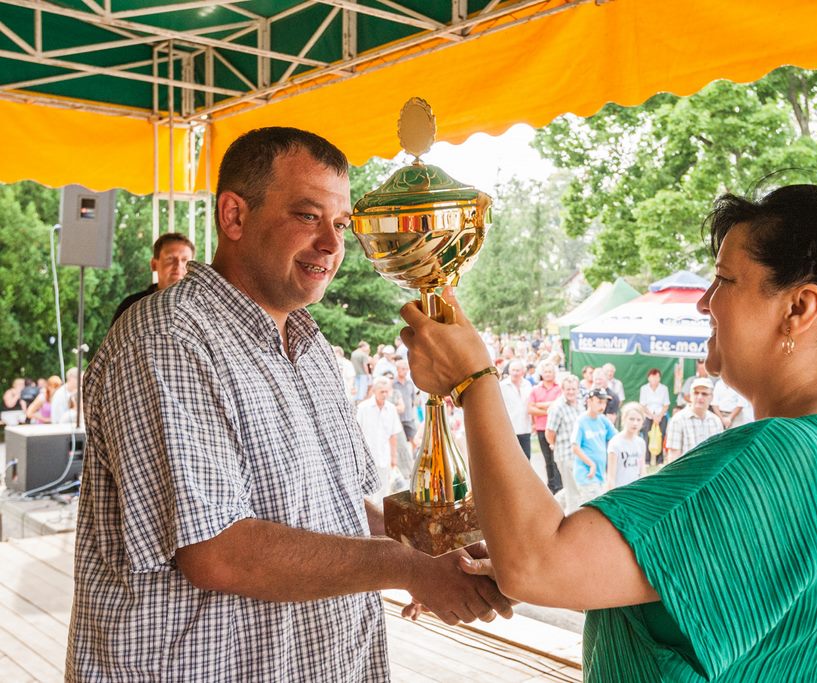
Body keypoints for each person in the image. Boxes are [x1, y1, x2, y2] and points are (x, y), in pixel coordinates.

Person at [398, 183, 817, 681]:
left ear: (798, 308)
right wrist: (579, 569)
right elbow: (734, 602)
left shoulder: (787, 456)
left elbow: (535, 563)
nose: (705, 301)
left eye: (725, 281)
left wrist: (474, 382)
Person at [68, 127, 511, 681]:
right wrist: (410, 568)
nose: (331, 243)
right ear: (234, 216)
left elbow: (339, 507)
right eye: (307, 216)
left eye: (341, 224)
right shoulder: (168, 336)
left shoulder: (313, 346)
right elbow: (218, 551)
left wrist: (436, 549)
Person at [111, 232, 195, 325]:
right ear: (154, 264)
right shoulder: (131, 306)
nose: (178, 265)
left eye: (185, 260)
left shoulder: (200, 306)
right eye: (170, 259)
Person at [357, 377, 402, 506]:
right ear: (374, 391)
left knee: (383, 491)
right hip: (366, 458)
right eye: (382, 391)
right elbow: (357, 434)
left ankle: (381, 515)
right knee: (367, 494)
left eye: (386, 391)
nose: (384, 394)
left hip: (384, 457)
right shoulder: (363, 408)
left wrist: (394, 457)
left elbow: (393, 435)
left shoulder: (391, 409)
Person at [570, 387, 617, 504]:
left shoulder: (603, 420)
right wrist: (591, 464)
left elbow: (616, 438)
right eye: (599, 402)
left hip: (600, 475)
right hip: (587, 475)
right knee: (594, 506)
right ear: (589, 401)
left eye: (604, 403)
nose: (602, 406)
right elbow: (575, 447)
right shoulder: (581, 421)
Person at [545, 374, 584, 513]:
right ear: (562, 389)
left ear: (578, 389)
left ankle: (550, 507)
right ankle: (572, 517)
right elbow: (549, 432)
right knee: (573, 492)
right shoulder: (557, 407)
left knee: (574, 488)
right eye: (568, 389)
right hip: (565, 454)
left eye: (574, 389)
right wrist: (554, 445)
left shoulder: (580, 404)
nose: (571, 392)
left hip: (580, 455)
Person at [664, 378, 723, 462]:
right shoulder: (678, 420)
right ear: (690, 395)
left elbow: (719, 452)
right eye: (696, 393)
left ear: (711, 397)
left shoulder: (716, 421)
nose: (699, 397)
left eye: (704, 394)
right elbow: (673, 456)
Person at [527, 361, 562, 495]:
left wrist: (540, 405)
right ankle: (552, 485)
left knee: (557, 458)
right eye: (546, 372)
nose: (548, 374)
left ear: (554, 373)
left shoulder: (559, 388)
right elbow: (530, 409)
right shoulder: (535, 389)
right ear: (541, 373)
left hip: (557, 428)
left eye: (550, 371)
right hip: (542, 427)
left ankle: (559, 486)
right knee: (547, 459)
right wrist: (549, 409)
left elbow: (559, 405)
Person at [605, 402, 646, 489]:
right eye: (631, 419)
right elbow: (611, 476)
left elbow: (642, 471)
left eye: (638, 420)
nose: (635, 423)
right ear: (624, 419)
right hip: (620, 491)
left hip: (636, 490)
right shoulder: (615, 443)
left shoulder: (641, 443)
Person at [499, 359, 533, 459]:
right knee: (511, 458)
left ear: (523, 371)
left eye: (518, 370)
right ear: (509, 371)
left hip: (525, 428)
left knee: (526, 457)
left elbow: (531, 404)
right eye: (513, 370)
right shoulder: (502, 386)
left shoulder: (527, 385)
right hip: (509, 429)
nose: (515, 373)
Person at [638, 368, 670, 462]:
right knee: (646, 437)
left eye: (657, 377)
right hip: (648, 416)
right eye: (652, 377)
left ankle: (659, 460)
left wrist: (659, 416)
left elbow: (666, 404)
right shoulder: (644, 388)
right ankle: (647, 460)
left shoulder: (664, 388)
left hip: (661, 416)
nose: (655, 379)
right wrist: (653, 416)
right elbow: (643, 405)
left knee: (661, 436)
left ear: (660, 378)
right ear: (648, 378)